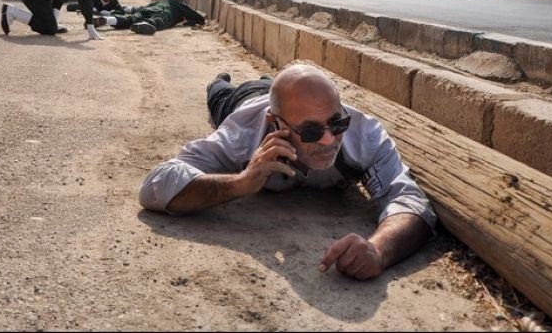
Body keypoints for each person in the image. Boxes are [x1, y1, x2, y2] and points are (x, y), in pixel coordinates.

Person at [139, 64, 436, 281]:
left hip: (278, 96)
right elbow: (156, 184)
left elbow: (409, 198)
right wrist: (240, 183)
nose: (329, 140)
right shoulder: (240, 134)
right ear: (276, 125)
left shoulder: (363, 132)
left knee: (273, 83)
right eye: (310, 131)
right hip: (242, 100)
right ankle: (220, 79)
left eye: (337, 123)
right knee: (219, 93)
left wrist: (378, 250)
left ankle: (271, 82)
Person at [90, 0, 205, 36]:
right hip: (163, 13)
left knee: (131, 18)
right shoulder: (179, 4)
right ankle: (145, 24)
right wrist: (187, 20)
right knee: (158, 20)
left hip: (148, 9)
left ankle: (109, 20)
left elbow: (141, 9)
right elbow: (200, 19)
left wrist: (128, 9)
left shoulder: (158, 1)